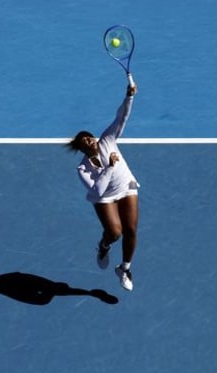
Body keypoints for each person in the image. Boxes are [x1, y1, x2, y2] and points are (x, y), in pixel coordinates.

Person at [68, 74, 139, 291]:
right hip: (105, 197)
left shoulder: (108, 139)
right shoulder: (82, 169)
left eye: (89, 136)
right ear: (82, 149)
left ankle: (124, 268)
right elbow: (98, 191)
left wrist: (129, 97)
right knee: (115, 232)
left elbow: (121, 117)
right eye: (84, 141)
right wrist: (109, 167)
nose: (89, 140)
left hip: (126, 186)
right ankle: (104, 245)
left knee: (131, 230)